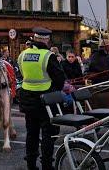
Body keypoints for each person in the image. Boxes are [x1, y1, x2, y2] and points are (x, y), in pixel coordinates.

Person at [17, 27, 65, 170]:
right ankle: (46, 165)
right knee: (48, 134)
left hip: (27, 99)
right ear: (45, 39)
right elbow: (60, 80)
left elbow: (22, 74)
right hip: (45, 101)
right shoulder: (47, 56)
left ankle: (31, 165)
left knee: (31, 133)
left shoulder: (23, 55)